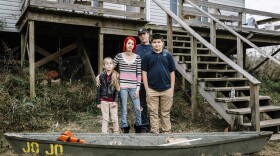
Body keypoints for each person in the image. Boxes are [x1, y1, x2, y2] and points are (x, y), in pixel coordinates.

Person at [142, 34, 176, 134]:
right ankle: (154, 132)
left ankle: (167, 132)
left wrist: (172, 88)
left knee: (165, 113)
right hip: (152, 90)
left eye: (159, 42)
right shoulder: (147, 57)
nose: (157, 44)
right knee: (153, 113)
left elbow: (172, 72)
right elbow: (144, 73)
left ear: (162, 43)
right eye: (154, 42)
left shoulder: (168, 56)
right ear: (151, 44)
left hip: (167, 89)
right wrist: (147, 89)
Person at [114, 36, 142, 133]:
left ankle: (138, 125)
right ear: (125, 44)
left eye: (132, 43)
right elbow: (110, 67)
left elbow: (139, 74)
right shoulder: (119, 56)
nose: (130, 45)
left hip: (134, 87)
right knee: (124, 108)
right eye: (128, 43)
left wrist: (138, 89)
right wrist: (116, 74)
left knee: (137, 107)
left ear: (134, 45)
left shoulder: (137, 57)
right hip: (123, 87)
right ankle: (125, 126)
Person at [96, 57, 120, 133]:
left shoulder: (116, 75)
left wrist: (115, 101)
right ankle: (104, 133)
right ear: (104, 66)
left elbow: (117, 90)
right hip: (104, 100)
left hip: (113, 101)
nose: (109, 65)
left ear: (113, 65)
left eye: (110, 63)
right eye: (107, 64)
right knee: (105, 118)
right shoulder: (101, 76)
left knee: (114, 117)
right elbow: (98, 90)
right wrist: (98, 102)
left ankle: (116, 132)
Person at [136, 28, 152, 133]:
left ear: (148, 35)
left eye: (144, 34)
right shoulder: (136, 48)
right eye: (140, 35)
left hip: (152, 80)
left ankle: (153, 125)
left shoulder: (154, 47)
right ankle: (144, 126)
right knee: (141, 103)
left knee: (152, 103)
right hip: (139, 81)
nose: (142, 36)